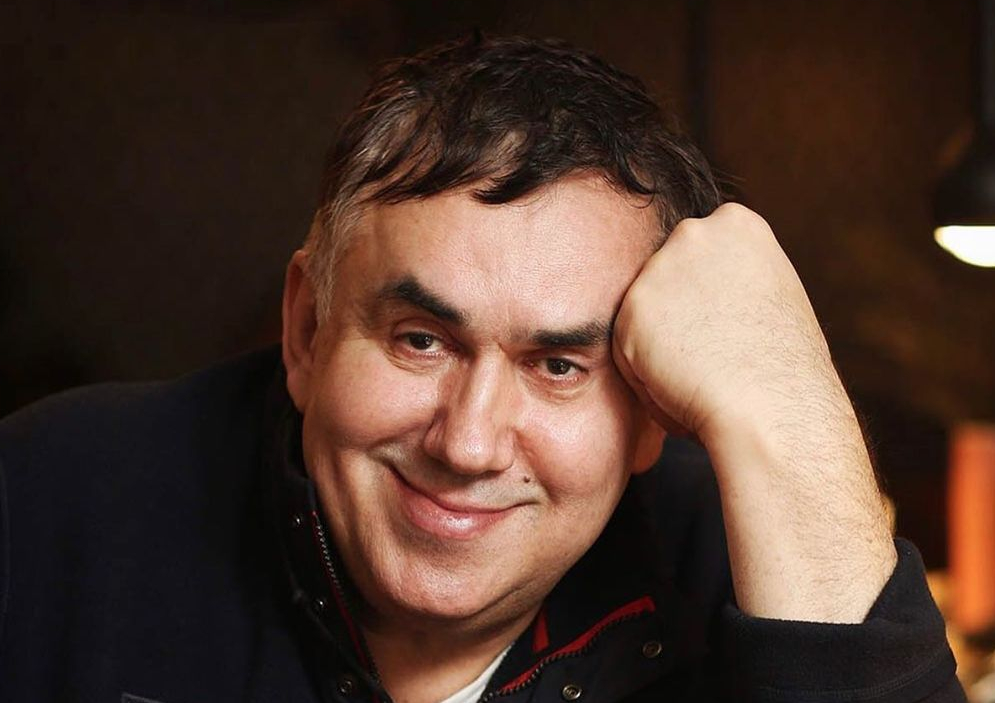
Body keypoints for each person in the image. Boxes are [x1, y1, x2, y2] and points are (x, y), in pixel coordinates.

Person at [0, 34, 963, 703]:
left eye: (558, 364)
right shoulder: (52, 496)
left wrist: (787, 400)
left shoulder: (728, 557)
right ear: (305, 330)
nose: (465, 443)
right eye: (421, 339)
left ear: (648, 416)